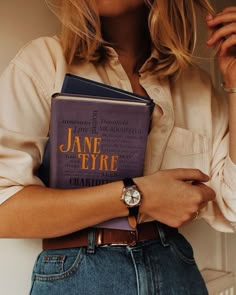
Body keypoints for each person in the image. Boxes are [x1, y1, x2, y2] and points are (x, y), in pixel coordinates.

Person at [0, 0, 235, 294]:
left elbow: (233, 205)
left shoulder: (195, 85)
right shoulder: (43, 62)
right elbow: (4, 209)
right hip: (78, 273)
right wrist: (140, 195)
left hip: (175, 269)